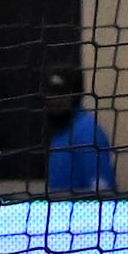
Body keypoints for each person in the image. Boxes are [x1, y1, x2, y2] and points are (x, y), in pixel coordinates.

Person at [44, 66, 116, 195]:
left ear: (75, 95)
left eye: (61, 93)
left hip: (82, 213)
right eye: (51, 92)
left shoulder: (86, 130)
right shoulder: (62, 130)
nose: (55, 99)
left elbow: (102, 191)